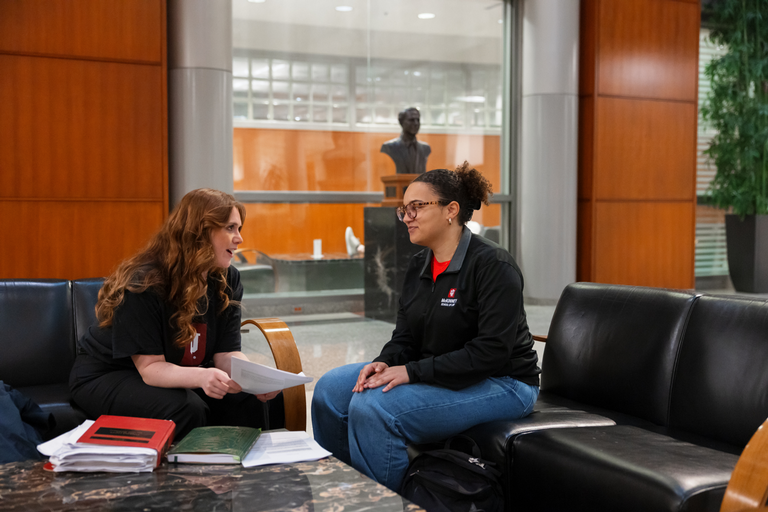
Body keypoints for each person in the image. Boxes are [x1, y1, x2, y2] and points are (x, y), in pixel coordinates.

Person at [312, 162, 540, 492]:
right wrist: (386, 362)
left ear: (451, 210)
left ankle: (392, 502)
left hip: (504, 382)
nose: (407, 217)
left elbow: (491, 352)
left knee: (375, 406)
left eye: (417, 207)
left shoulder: (493, 265)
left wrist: (413, 372)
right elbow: (405, 335)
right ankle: (355, 492)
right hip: (441, 368)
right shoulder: (420, 264)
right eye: (404, 209)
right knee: (331, 391)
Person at [69, 188, 280, 439]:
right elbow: (150, 369)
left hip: (171, 370)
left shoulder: (228, 278)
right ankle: (186, 478)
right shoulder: (145, 283)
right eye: (230, 228)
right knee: (186, 408)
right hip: (109, 374)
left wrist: (255, 378)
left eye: (239, 229)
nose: (239, 239)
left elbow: (226, 353)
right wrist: (203, 375)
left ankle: (249, 473)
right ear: (201, 232)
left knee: (258, 398)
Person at [380, 107, 431, 174]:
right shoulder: (389, 147)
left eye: (417, 120)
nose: (416, 123)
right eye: (411, 120)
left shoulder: (425, 148)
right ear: (401, 122)